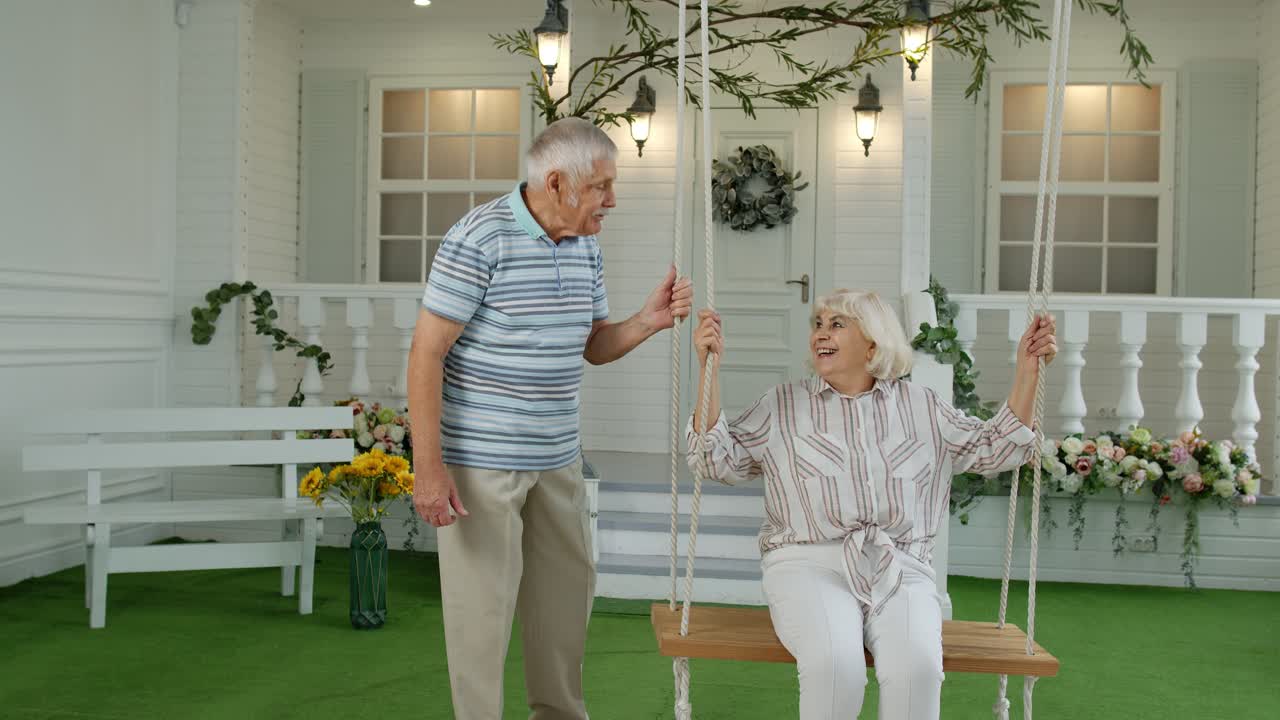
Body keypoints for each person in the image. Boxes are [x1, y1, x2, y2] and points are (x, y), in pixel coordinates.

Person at [407, 117, 693, 720]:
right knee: (480, 619)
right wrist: (428, 471)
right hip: (482, 463)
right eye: (601, 188)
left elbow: (592, 343)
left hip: (558, 456)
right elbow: (426, 353)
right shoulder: (478, 238)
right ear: (558, 182)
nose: (611, 201)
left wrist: (646, 322)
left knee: (564, 607)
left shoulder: (585, 242)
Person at [687, 289, 1057, 720]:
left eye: (837, 324)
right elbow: (713, 458)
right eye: (818, 324)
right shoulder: (782, 406)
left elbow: (998, 449)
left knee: (918, 668)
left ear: (873, 343)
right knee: (835, 666)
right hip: (807, 564)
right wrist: (708, 368)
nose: (821, 334)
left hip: (900, 566)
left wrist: (1027, 372)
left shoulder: (922, 407)